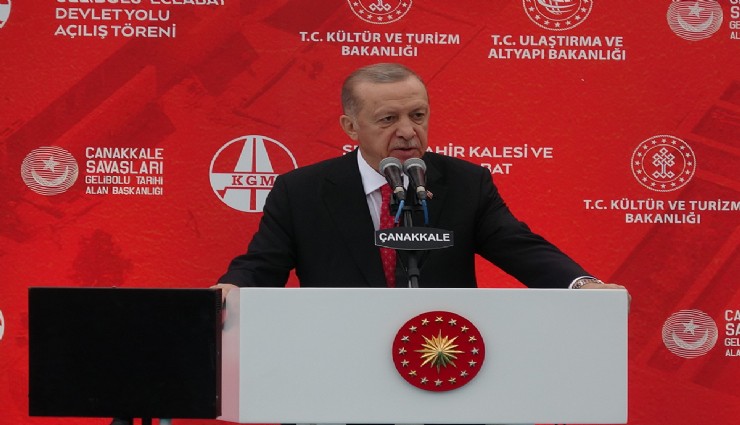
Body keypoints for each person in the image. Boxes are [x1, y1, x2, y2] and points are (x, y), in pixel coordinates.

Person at [214, 62, 629, 300]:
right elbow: (262, 266)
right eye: (388, 119)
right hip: (337, 365)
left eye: (418, 115)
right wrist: (229, 291)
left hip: (440, 362)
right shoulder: (301, 191)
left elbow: (519, 248)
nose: (408, 131)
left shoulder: (465, 183)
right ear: (351, 127)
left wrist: (582, 285)